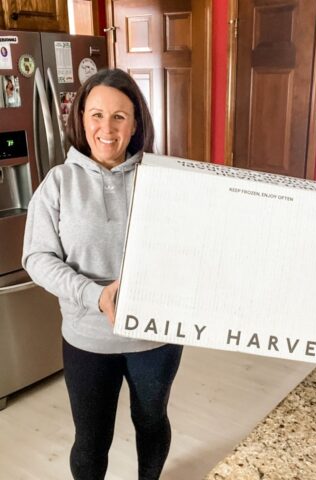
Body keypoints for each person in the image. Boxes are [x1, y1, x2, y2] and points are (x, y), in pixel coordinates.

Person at [22, 68, 183, 480]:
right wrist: (93, 294)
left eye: (119, 117)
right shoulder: (57, 183)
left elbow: (188, 250)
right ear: (81, 119)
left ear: (135, 125)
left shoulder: (164, 181)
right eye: (96, 115)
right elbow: (37, 257)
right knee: (91, 439)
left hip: (155, 336)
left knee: (151, 421)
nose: (106, 128)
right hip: (88, 338)